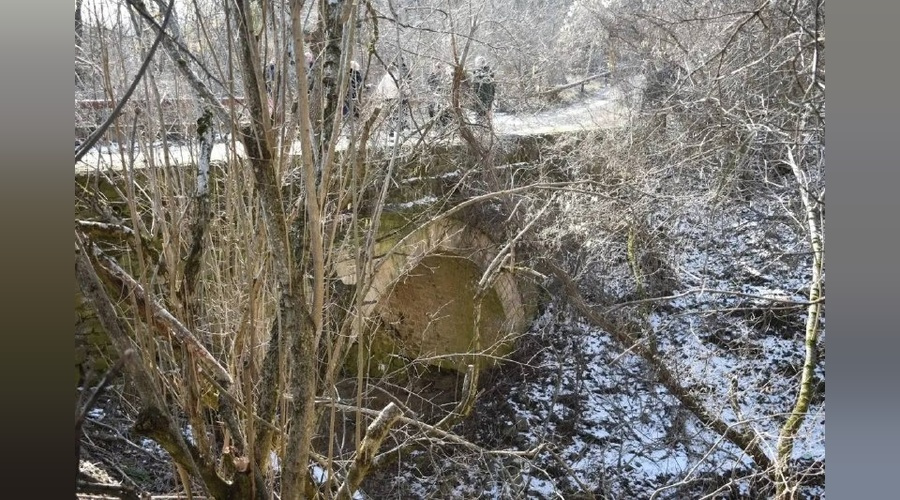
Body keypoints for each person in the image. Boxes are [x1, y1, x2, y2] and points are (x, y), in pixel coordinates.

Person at [470, 56, 496, 123]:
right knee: (480, 115)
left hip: (485, 97)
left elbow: (492, 86)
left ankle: (486, 128)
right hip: (480, 97)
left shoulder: (487, 72)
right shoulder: (476, 72)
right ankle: (482, 127)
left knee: (485, 114)